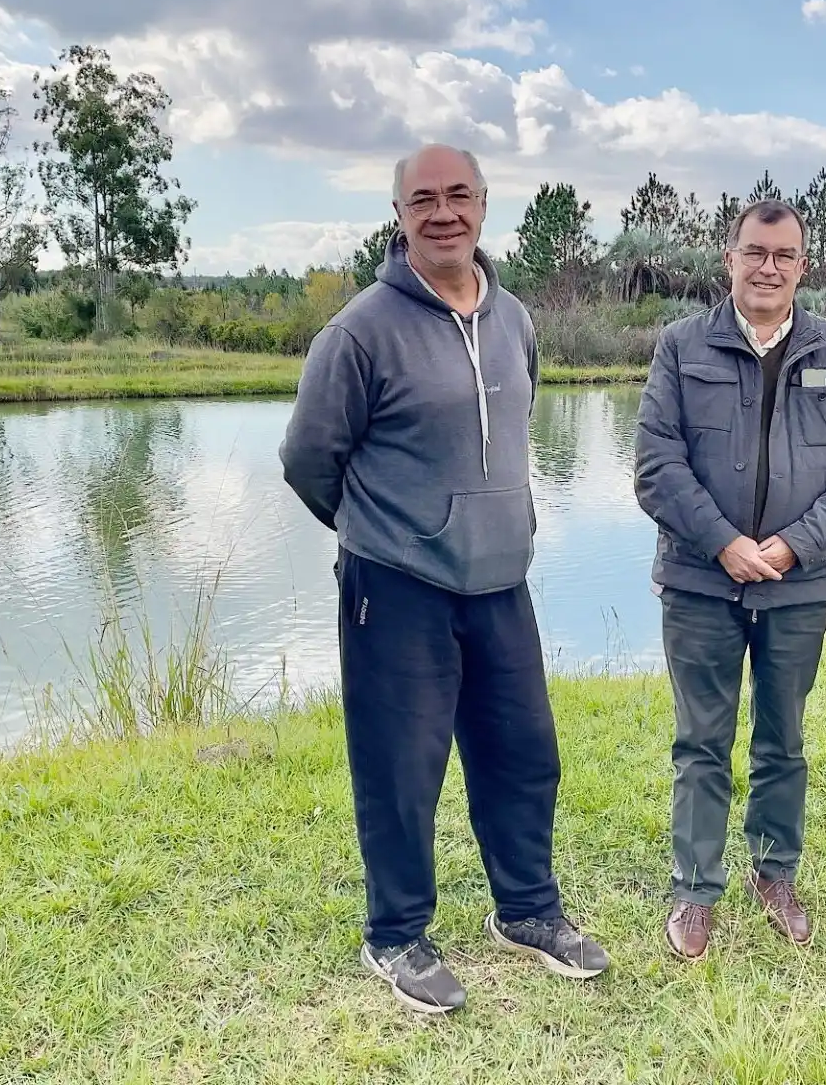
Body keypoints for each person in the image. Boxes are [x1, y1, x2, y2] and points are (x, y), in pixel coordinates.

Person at [279, 144, 608, 1015]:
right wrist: (384, 533)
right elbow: (309, 458)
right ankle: (395, 934)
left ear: (484, 203)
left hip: (501, 580)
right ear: (399, 215)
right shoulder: (359, 329)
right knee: (400, 769)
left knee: (523, 754)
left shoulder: (515, 320)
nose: (442, 212)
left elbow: (516, 420)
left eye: (457, 194)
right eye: (421, 199)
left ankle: (527, 911)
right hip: (397, 588)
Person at [634, 199, 826, 960]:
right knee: (700, 742)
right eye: (754, 252)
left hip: (797, 585)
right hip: (699, 581)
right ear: (729, 258)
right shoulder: (680, 347)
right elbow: (655, 464)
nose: (767, 267)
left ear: (802, 264)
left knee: (783, 738)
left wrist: (790, 546)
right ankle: (694, 890)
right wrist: (722, 544)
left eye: (783, 254)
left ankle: (774, 873)